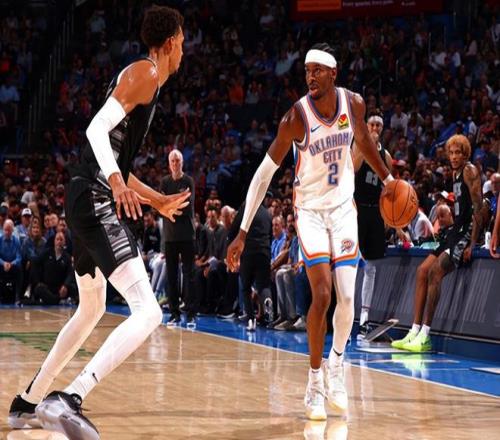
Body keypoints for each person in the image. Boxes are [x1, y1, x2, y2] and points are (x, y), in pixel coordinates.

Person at [8, 6, 190, 439]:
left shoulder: (144, 81)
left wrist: (156, 199)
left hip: (83, 196)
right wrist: (114, 181)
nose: (184, 51)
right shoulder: (146, 73)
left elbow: (116, 162)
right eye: (183, 43)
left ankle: (29, 400)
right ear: (169, 44)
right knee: (149, 311)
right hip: (93, 196)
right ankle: (70, 397)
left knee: (92, 308)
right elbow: (94, 130)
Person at [227, 43, 393, 420]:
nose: (311, 77)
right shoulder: (296, 118)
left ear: (334, 73)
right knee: (322, 293)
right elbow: (263, 176)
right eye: (307, 71)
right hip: (311, 213)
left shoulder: (353, 104)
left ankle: (337, 364)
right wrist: (242, 230)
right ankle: (315, 381)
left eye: (318, 70)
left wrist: (388, 179)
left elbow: (364, 141)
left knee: (347, 298)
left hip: (343, 209)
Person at [391, 135, 483, 352]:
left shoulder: (469, 171)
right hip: (454, 231)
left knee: (435, 272)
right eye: (451, 153)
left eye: (458, 153)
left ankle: (425, 335)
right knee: (422, 271)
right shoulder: (455, 173)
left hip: (466, 232)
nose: (454, 157)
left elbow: (480, 208)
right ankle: (414, 330)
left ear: (465, 154)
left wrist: (472, 243)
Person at [352, 112, 392, 336]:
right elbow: (353, 169)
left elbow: (388, 190)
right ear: (366, 127)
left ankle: (365, 318)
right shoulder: (357, 146)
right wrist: (367, 145)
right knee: (351, 266)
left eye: (378, 125)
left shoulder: (386, 156)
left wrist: (392, 221)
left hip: (375, 213)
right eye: (372, 124)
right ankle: (345, 314)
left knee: (371, 268)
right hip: (357, 211)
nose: (375, 128)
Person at [160, 149, 196, 325]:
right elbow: (161, 206)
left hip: (187, 235)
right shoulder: (164, 182)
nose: (175, 163)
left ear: (182, 162)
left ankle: (190, 313)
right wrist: (173, 205)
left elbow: (187, 206)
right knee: (171, 276)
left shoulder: (188, 181)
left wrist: (170, 206)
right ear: (169, 164)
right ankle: (174, 313)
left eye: (178, 160)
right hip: (170, 237)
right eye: (172, 161)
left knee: (189, 275)